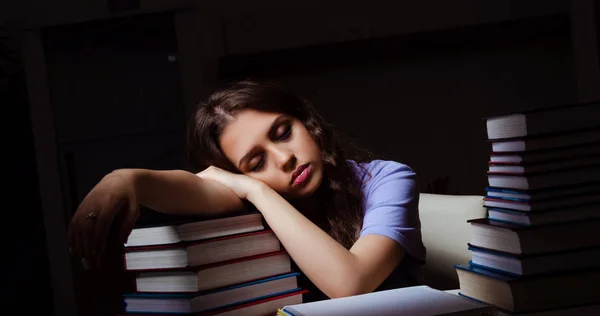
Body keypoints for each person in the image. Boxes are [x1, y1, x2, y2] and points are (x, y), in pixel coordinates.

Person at [68, 80, 426, 301]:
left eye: (283, 132)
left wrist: (253, 187)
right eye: (255, 163)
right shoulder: (254, 194)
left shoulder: (386, 179)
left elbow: (350, 283)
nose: (285, 159)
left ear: (307, 122)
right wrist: (127, 180)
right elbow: (195, 187)